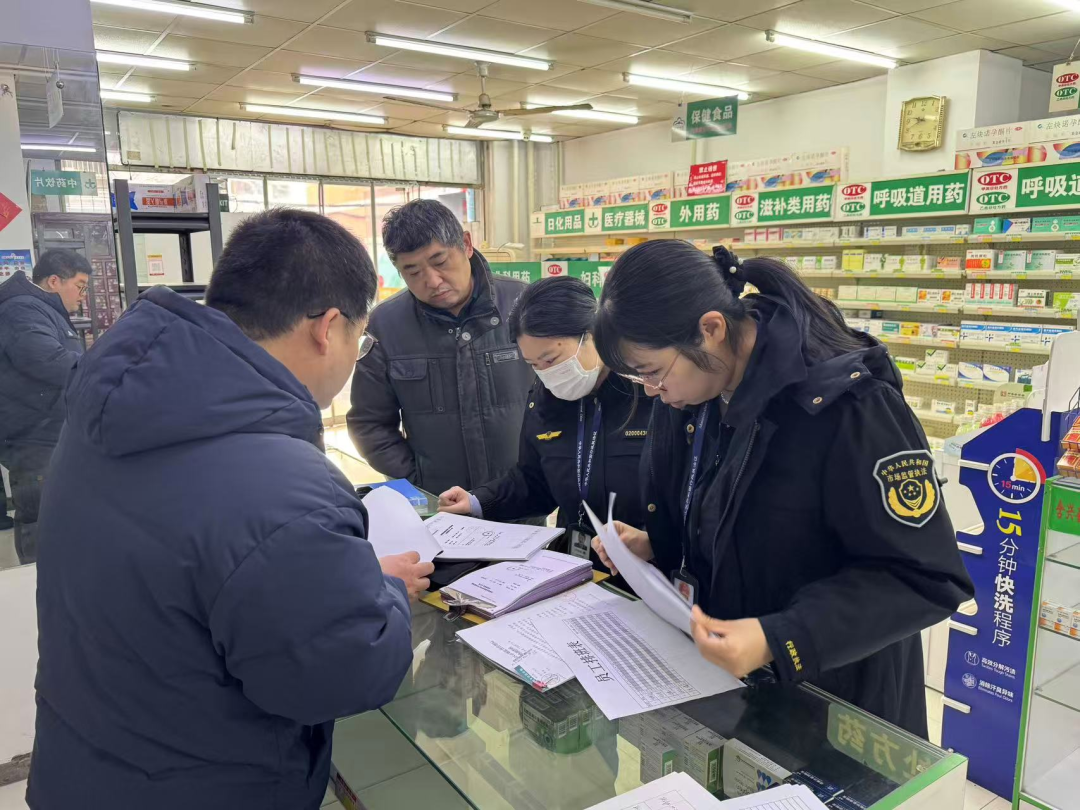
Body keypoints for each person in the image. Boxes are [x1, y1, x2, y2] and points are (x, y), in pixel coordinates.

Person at [28, 210, 432, 810]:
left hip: (86, 768)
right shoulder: (284, 484)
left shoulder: (109, 417)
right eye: (360, 339)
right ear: (327, 328)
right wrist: (387, 594)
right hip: (210, 785)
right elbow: (342, 677)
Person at [591, 241, 974, 736]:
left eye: (653, 372)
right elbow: (731, 515)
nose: (650, 391)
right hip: (732, 692)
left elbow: (925, 578)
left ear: (711, 329)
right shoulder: (695, 392)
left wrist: (780, 637)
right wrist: (659, 543)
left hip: (834, 707)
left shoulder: (847, 405)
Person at [438, 277, 650, 565]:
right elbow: (534, 480)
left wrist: (655, 543)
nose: (547, 374)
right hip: (576, 561)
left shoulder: (650, 392)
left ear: (593, 333)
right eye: (533, 364)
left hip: (645, 566)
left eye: (550, 359)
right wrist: (476, 501)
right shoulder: (546, 397)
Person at [348, 199, 534, 498]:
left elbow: (561, 399)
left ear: (466, 245)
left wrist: (540, 471)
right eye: (413, 271)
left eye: (440, 262)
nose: (432, 281)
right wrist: (416, 480)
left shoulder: (523, 304)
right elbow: (369, 423)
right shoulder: (386, 324)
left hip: (521, 498)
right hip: (439, 505)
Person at [0, 249, 89, 563]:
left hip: (48, 434)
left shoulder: (40, 309)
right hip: (33, 439)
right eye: (79, 286)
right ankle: (38, 585)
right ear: (54, 281)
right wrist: (100, 367)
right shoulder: (22, 309)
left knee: (58, 518)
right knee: (41, 521)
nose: (83, 295)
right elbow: (48, 360)